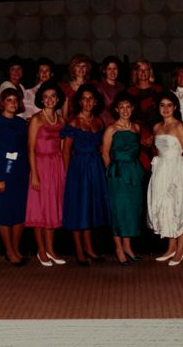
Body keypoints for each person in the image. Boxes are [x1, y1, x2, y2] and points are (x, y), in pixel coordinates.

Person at [61, 84, 111, 265]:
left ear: (95, 101)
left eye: (91, 98)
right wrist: (68, 174)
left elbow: (101, 147)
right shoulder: (73, 122)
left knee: (89, 208)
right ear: (79, 101)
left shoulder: (99, 121)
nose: (88, 102)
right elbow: (66, 151)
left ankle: (89, 248)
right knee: (77, 208)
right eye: (84, 98)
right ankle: (79, 251)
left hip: (94, 167)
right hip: (78, 168)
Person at [147, 91, 183, 266]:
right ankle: (171, 247)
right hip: (161, 171)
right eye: (162, 105)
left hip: (177, 171)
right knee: (165, 207)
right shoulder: (157, 127)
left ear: (175, 107)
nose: (166, 109)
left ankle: (180, 250)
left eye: (169, 105)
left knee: (180, 208)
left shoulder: (179, 127)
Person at [0, 88, 29, 265]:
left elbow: (25, 147)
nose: (12, 103)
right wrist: (0, 177)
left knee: (19, 212)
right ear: (2, 103)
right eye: (9, 99)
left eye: (15, 100)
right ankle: (9, 251)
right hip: (3, 172)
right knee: (4, 212)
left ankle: (16, 249)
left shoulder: (20, 123)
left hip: (20, 172)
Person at [24, 81, 67, 267]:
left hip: (56, 166)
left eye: (53, 96)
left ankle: (50, 249)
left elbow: (64, 148)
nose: (50, 99)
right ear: (41, 99)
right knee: (39, 209)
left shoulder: (61, 120)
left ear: (58, 100)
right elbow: (30, 149)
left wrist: (63, 171)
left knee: (52, 208)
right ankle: (41, 250)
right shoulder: (35, 119)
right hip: (40, 165)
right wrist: (34, 174)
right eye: (46, 96)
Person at [101, 92, 144, 266]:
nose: (125, 110)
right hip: (118, 173)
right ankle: (118, 248)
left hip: (134, 172)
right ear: (116, 109)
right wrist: (112, 172)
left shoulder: (136, 128)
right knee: (118, 210)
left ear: (132, 109)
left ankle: (128, 247)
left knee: (131, 210)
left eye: (128, 107)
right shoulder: (111, 129)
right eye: (122, 107)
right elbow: (104, 154)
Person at [127, 60, 163, 172]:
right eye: (140, 70)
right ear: (136, 73)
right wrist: (139, 136)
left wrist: (153, 136)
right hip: (135, 139)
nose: (143, 72)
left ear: (150, 72)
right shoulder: (128, 92)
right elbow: (125, 117)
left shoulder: (159, 90)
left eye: (146, 69)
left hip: (157, 137)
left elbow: (166, 116)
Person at [60, 53, 93, 119]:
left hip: (89, 122)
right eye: (78, 66)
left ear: (87, 68)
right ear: (73, 69)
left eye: (83, 66)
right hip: (72, 123)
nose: (81, 69)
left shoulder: (92, 86)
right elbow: (64, 114)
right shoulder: (65, 88)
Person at [95, 56, 125, 127]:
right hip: (105, 123)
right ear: (104, 70)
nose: (112, 72)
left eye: (115, 68)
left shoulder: (122, 86)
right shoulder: (99, 87)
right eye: (109, 69)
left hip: (122, 122)